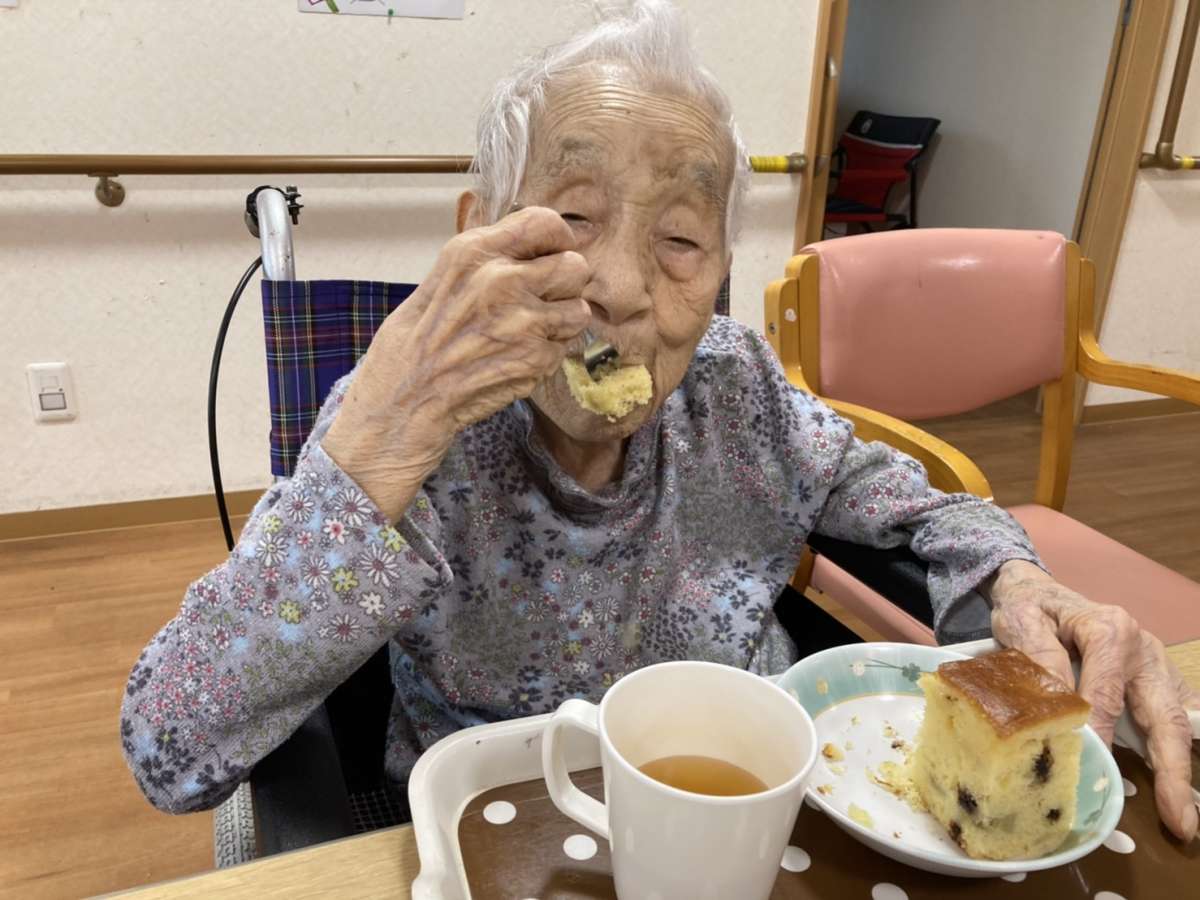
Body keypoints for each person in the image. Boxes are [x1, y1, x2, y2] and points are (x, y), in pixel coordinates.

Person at [121, 0, 1197, 841]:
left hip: (757, 814)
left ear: (720, 267)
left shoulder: (737, 389)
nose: (623, 290)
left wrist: (1021, 582)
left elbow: (916, 511)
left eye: (680, 241)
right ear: (478, 233)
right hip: (511, 834)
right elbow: (170, 748)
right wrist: (376, 450)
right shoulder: (409, 425)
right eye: (572, 217)